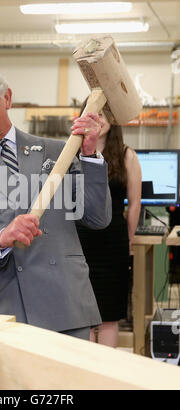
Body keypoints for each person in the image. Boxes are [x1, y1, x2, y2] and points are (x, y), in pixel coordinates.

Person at [0, 62, 112, 340]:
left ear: (7, 98)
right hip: (3, 310)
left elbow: (97, 218)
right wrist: (2, 237)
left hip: (65, 302)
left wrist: (89, 155)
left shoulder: (58, 153)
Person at [76, 99, 142, 347]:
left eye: (104, 115)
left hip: (112, 242)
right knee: (82, 316)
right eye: (94, 114)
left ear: (112, 120)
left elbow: (134, 203)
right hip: (79, 241)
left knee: (108, 317)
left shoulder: (127, 155)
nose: (99, 120)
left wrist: (130, 240)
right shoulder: (71, 154)